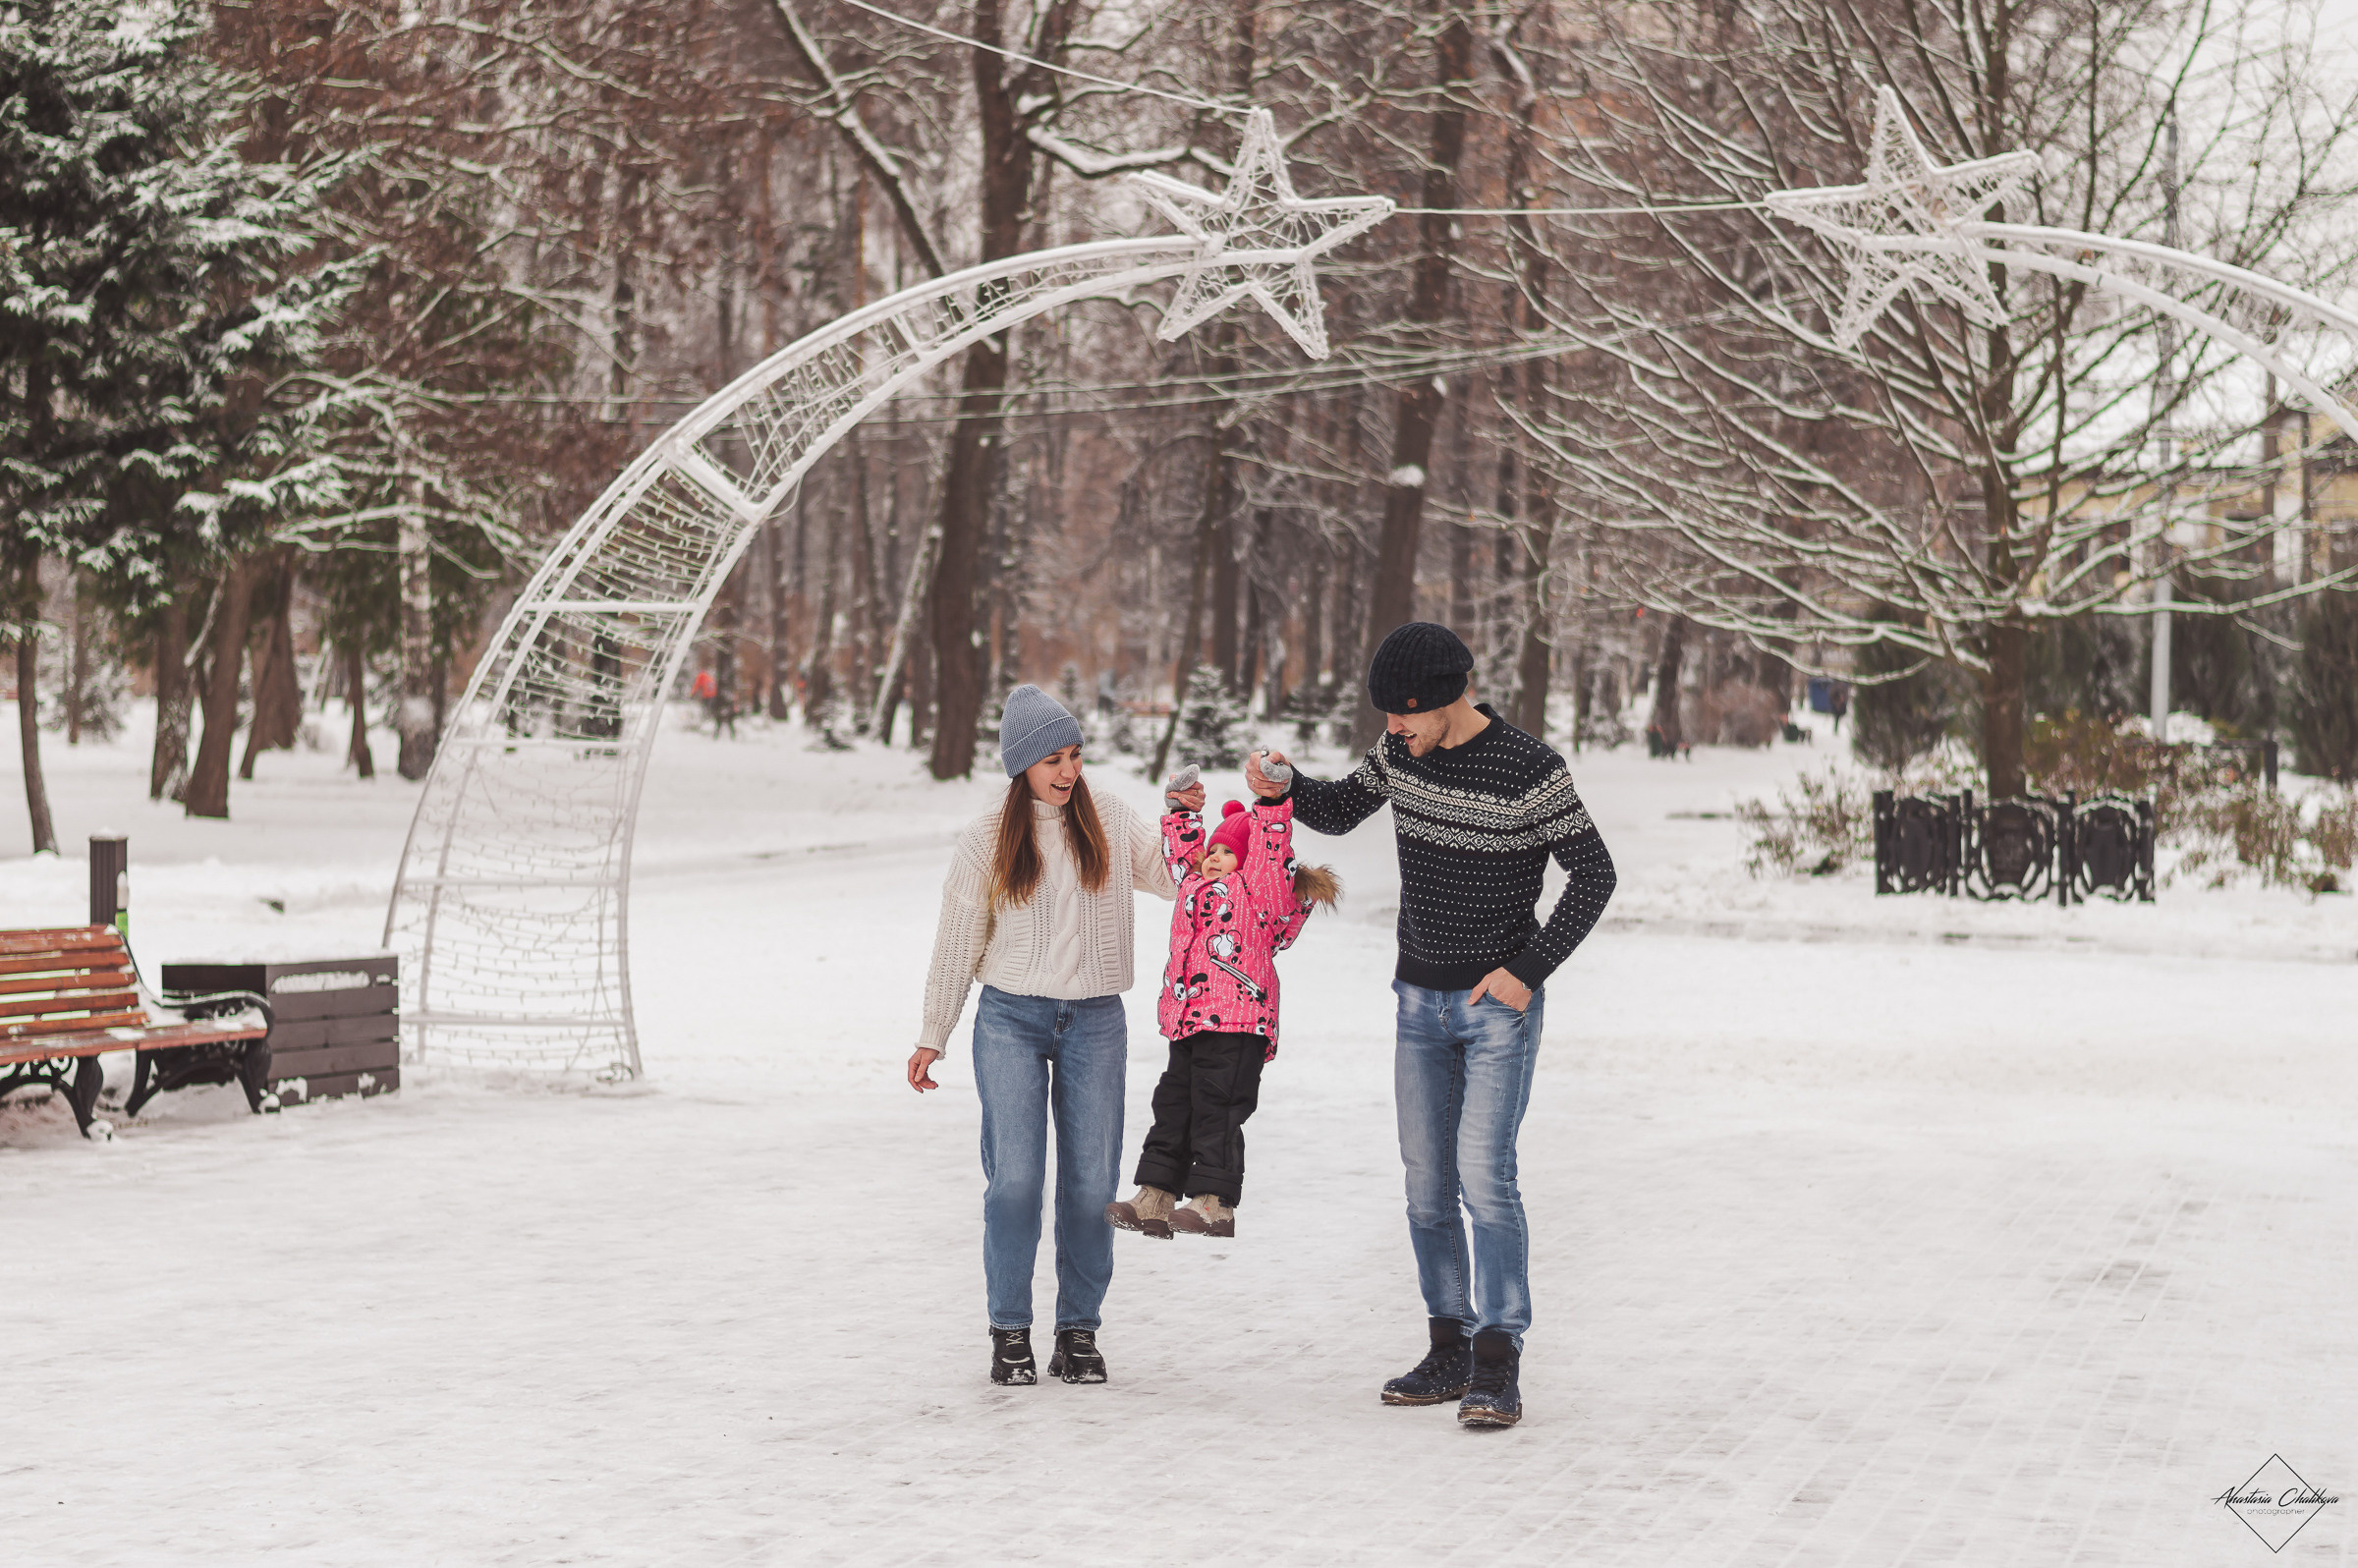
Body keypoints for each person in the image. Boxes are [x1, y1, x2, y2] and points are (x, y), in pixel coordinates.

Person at [1247, 623, 1616, 1429]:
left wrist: (1528, 971)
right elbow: (1342, 810)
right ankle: (1447, 1346)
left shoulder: (1530, 769)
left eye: (1402, 716)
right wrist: (1285, 787)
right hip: (1417, 1003)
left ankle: (1497, 1357)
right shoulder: (1401, 757)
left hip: (1495, 1010)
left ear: (1445, 699)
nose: (1392, 732)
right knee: (1425, 1187)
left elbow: (1595, 874)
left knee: (1485, 1180)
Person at [909, 684, 1192, 1388]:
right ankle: (1010, 1330)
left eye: (1075, 756)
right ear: (1021, 766)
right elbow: (956, 944)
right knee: (1016, 1181)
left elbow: (1176, 879)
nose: (1067, 772)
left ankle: (1078, 1330)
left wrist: (1189, 829)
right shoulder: (985, 841)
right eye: (1052, 761)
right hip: (1010, 1019)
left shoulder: (1113, 821)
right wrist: (932, 1034)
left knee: (1092, 1181)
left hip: (1096, 1021)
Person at [1105, 792, 1339, 1241]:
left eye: (1228, 852)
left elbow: (1271, 861)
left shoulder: (1259, 893)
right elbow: (1182, 858)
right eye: (1213, 850)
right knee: (1172, 1105)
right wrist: (1181, 813)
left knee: (1219, 1109)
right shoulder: (1195, 886)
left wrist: (1271, 811)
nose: (1214, 858)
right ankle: (1156, 1195)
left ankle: (1215, 1202)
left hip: (1238, 1022)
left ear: (1250, 863)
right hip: (1191, 1020)